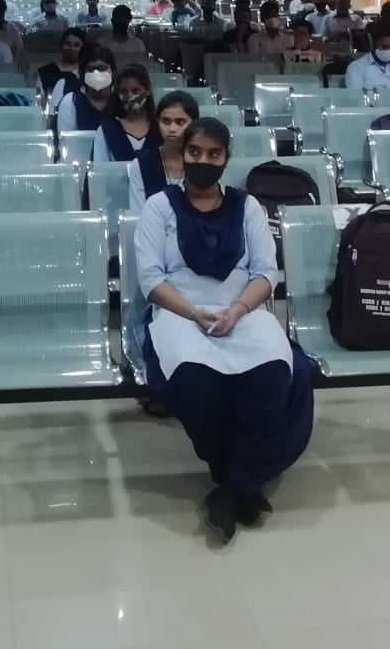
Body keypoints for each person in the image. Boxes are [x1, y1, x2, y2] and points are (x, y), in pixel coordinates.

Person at [132, 118, 314, 541]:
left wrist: (236, 310)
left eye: (214, 154)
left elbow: (266, 272)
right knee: (197, 383)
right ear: (184, 154)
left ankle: (233, 487)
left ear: (226, 159)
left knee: (274, 376)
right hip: (180, 314)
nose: (203, 161)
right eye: (195, 152)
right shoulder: (160, 205)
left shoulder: (247, 206)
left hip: (243, 312)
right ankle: (241, 482)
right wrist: (195, 313)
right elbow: (150, 280)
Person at [129, 91, 200, 210]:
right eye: (166, 121)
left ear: (194, 123)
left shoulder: (203, 161)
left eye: (180, 122)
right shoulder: (142, 164)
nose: (172, 129)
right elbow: (138, 214)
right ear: (158, 122)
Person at [93, 65, 154, 162]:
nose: (130, 96)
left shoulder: (160, 127)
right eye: (124, 91)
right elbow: (100, 170)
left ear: (147, 91)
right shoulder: (107, 129)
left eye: (136, 91)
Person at [56, 47, 117, 134]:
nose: (96, 73)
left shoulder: (121, 100)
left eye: (102, 68)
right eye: (90, 69)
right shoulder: (71, 101)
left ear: (113, 72)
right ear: (83, 74)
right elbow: (66, 141)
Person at [343, 23, 390, 95]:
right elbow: (356, 97)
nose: (389, 51)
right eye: (384, 47)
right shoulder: (357, 67)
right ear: (374, 44)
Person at [39, 28, 86, 101]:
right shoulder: (45, 72)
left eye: (76, 45)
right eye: (68, 44)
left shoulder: (87, 72)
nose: (72, 48)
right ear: (61, 46)